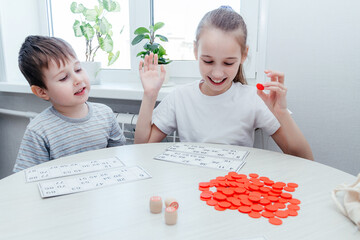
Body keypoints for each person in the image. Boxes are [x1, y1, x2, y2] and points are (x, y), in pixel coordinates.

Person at [134, 6, 314, 161]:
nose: (217, 73)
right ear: (195, 50)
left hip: (233, 193)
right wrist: (149, 95)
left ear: (244, 55)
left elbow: (305, 160)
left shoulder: (253, 99)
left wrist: (281, 113)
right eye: (208, 61)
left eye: (228, 63)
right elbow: (141, 151)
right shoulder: (180, 98)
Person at [13, 35, 126, 172]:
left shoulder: (105, 114)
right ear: (42, 92)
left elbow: (120, 156)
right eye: (63, 78)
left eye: (78, 69)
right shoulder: (38, 131)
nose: (77, 79)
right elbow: (25, 177)